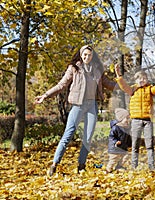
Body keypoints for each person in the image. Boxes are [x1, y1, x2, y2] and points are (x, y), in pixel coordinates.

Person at [35, 45, 117, 176]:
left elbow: (109, 84)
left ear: (92, 56)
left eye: (89, 55)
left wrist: (124, 86)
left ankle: (81, 165)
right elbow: (61, 85)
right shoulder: (74, 68)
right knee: (68, 134)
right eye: (84, 55)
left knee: (88, 137)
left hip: (92, 105)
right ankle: (54, 164)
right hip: (78, 105)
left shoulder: (97, 70)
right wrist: (45, 95)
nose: (87, 57)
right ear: (81, 55)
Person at [115, 65, 155, 171]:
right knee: (135, 143)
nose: (142, 80)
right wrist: (119, 75)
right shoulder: (132, 90)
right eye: (140, 78)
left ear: (147, 80)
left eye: (144, 78)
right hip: (136, 120)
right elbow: (123, 86)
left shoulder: (149, 89)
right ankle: (134, 165)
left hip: (147, 121)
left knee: (149, 143)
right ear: (136, 80)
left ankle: (151, 165)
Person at [106, 108, 131, 173]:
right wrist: (115, 142)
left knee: (126, 156)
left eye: (128, 118)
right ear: (121, 119)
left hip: (123, 147)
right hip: (115, 148)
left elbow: (128, 137)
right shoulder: (116, 127)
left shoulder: (126, 127)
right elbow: (111, 137)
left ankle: (119, 166)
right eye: (127, 118)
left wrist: (129, 144)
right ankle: (108, 169)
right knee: (113, 159)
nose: (128, 120)